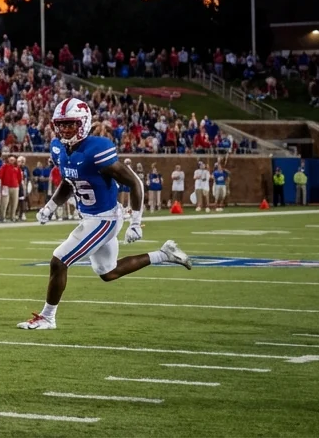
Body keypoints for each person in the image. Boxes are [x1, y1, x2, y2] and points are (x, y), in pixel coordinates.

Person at [18, 98, 191, 331]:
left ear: (84, 123)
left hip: (104, 218)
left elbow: (135, 182)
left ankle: (48, 317)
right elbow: (70, 181)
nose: (64, 130)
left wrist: (136, 222)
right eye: (61, 124)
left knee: (59, 261)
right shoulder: (59, 148)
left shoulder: (97, 148)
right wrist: (50, 207)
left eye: (70, 124)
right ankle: (164, 254)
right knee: (108, 272)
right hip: (91, 217)